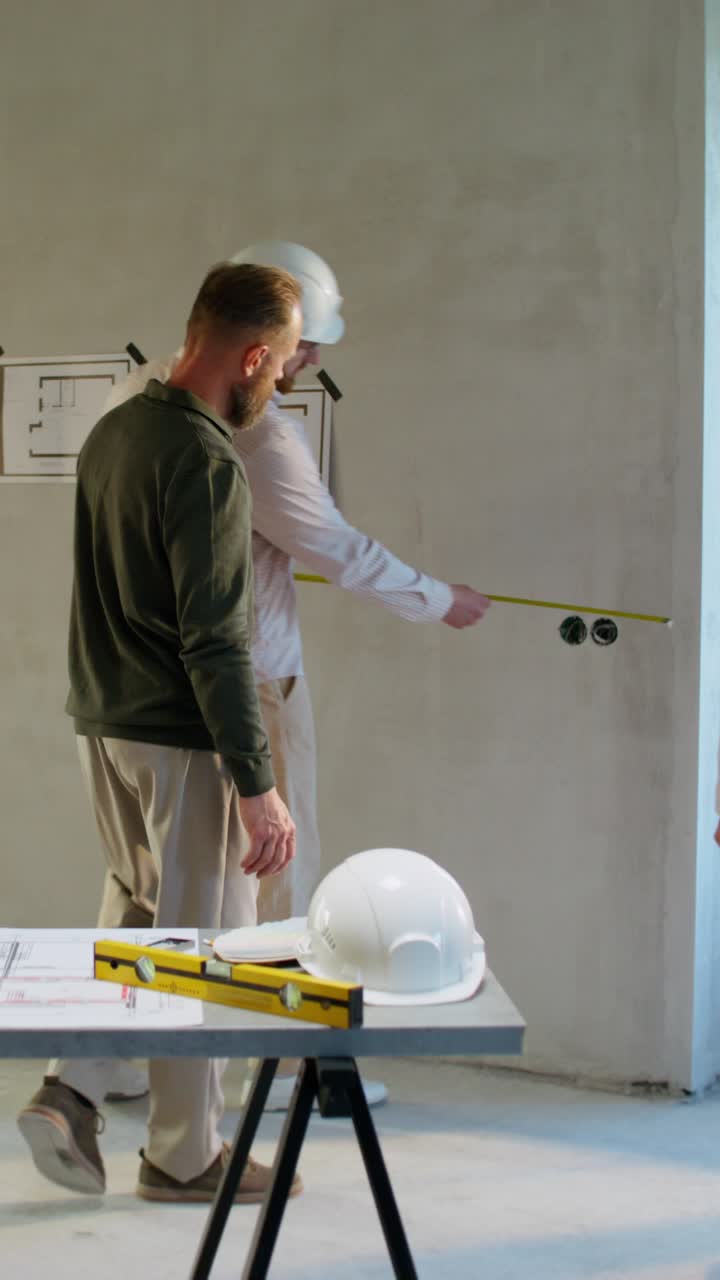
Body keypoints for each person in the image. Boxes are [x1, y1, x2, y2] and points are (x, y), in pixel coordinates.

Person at [17, 262, 304, 1205]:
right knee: (203, 943)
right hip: (182, 740)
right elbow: (216, 640)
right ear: (254, 354)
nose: (286, 379)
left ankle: (72, 1086)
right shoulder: (208, 459)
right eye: (288, 360)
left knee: (140, 917)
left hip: (104, 726)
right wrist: (256, 783)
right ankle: (186, 1158)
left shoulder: (114, 431)